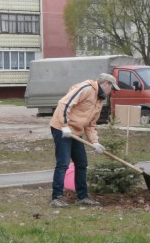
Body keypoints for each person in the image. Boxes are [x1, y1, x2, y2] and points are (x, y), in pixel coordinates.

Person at [49, 73, 120, 208]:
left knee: (82, 163)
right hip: (61, 129)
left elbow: (90, 124)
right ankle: (56, 197)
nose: (112, 92)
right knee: (63, 163)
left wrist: (95, 142)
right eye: (112, 89)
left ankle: (82, 197)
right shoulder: (86, 89)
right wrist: (64, 126)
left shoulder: (99, 101)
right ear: (106, 84)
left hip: (75, 132)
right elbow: (64, 104)